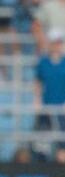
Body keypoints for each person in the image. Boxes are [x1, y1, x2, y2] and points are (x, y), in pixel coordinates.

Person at [34, 30, 65, 161]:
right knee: (42, 145)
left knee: (61, 145)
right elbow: (38, 83)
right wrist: (37, 100)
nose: (57, 45)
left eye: (59, 42)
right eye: (55, 42)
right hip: (46, 108)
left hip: (61, 109)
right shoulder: (43, 62)